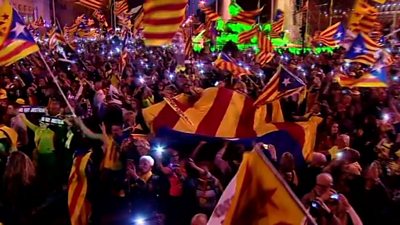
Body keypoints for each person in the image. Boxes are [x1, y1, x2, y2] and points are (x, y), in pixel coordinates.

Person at [126, 155, 167, 224]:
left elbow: (147, 189)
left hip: (149, 212)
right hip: (136, 211)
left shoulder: (155, 178)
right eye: (141, 163)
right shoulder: (136, 178)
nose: (142, 166)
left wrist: (135, 176)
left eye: (145, 164)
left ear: (151, 166)